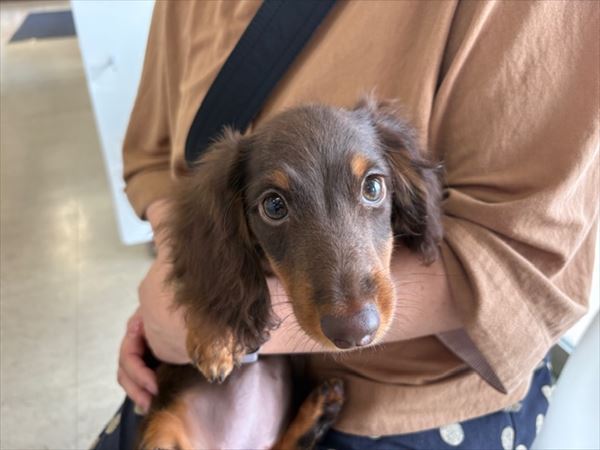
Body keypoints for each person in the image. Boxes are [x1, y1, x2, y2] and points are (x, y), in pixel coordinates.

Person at [93, 1, 599, 449]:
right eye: (275, 205)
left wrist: (227, 325)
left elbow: (526, 259)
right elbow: (154, 158)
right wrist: (181, 287)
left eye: (372, 188)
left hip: (406, 397)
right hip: (215, 352)